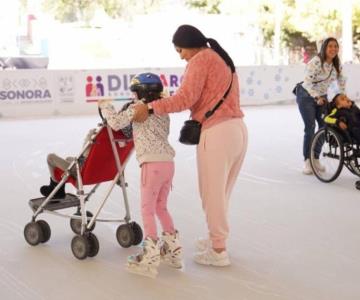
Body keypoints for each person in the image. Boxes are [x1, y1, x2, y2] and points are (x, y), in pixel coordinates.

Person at [132, 24, 248, 267]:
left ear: (189, 44)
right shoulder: (220, 58)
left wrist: (151, 107)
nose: (181, 56)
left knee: (211, 194)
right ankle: (216, 239)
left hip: (216, 133)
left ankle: (218, 250)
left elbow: (186, 99)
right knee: (221, 192)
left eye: (180, 50)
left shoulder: (199, 60)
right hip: (237, 130)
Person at [98, 72, 182, 278]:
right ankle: (173, 250)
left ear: (141, 92)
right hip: (168, 164)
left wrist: (105, 106)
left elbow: (116, 123)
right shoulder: (162, 108)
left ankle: (150, 254)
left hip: (151, 165)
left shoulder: (138, 109)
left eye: (134, 92)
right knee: (161, 207)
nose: (132, 96)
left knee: (147, 210)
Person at [296, 37, 346, 175]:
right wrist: (316, 96)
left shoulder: (336, 63)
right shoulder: (316, 62)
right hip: (306, 95)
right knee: (310, 127)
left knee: (325, 126)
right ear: (324, 48)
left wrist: (342, 96)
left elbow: (341, 79)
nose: (333, 49)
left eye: (335, 46)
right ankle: (307, 160)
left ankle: (315, 158)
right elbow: (307, 82)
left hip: (322, 97)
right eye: (330, 46)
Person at [39, 128, 98, 200]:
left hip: (82, 171)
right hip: (95, 171)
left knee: (50, 157)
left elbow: (85, 151)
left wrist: (90, 134)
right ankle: (58, 187)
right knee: (68, 159)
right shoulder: (111, 140)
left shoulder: (98, 135)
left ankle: (55, 186)